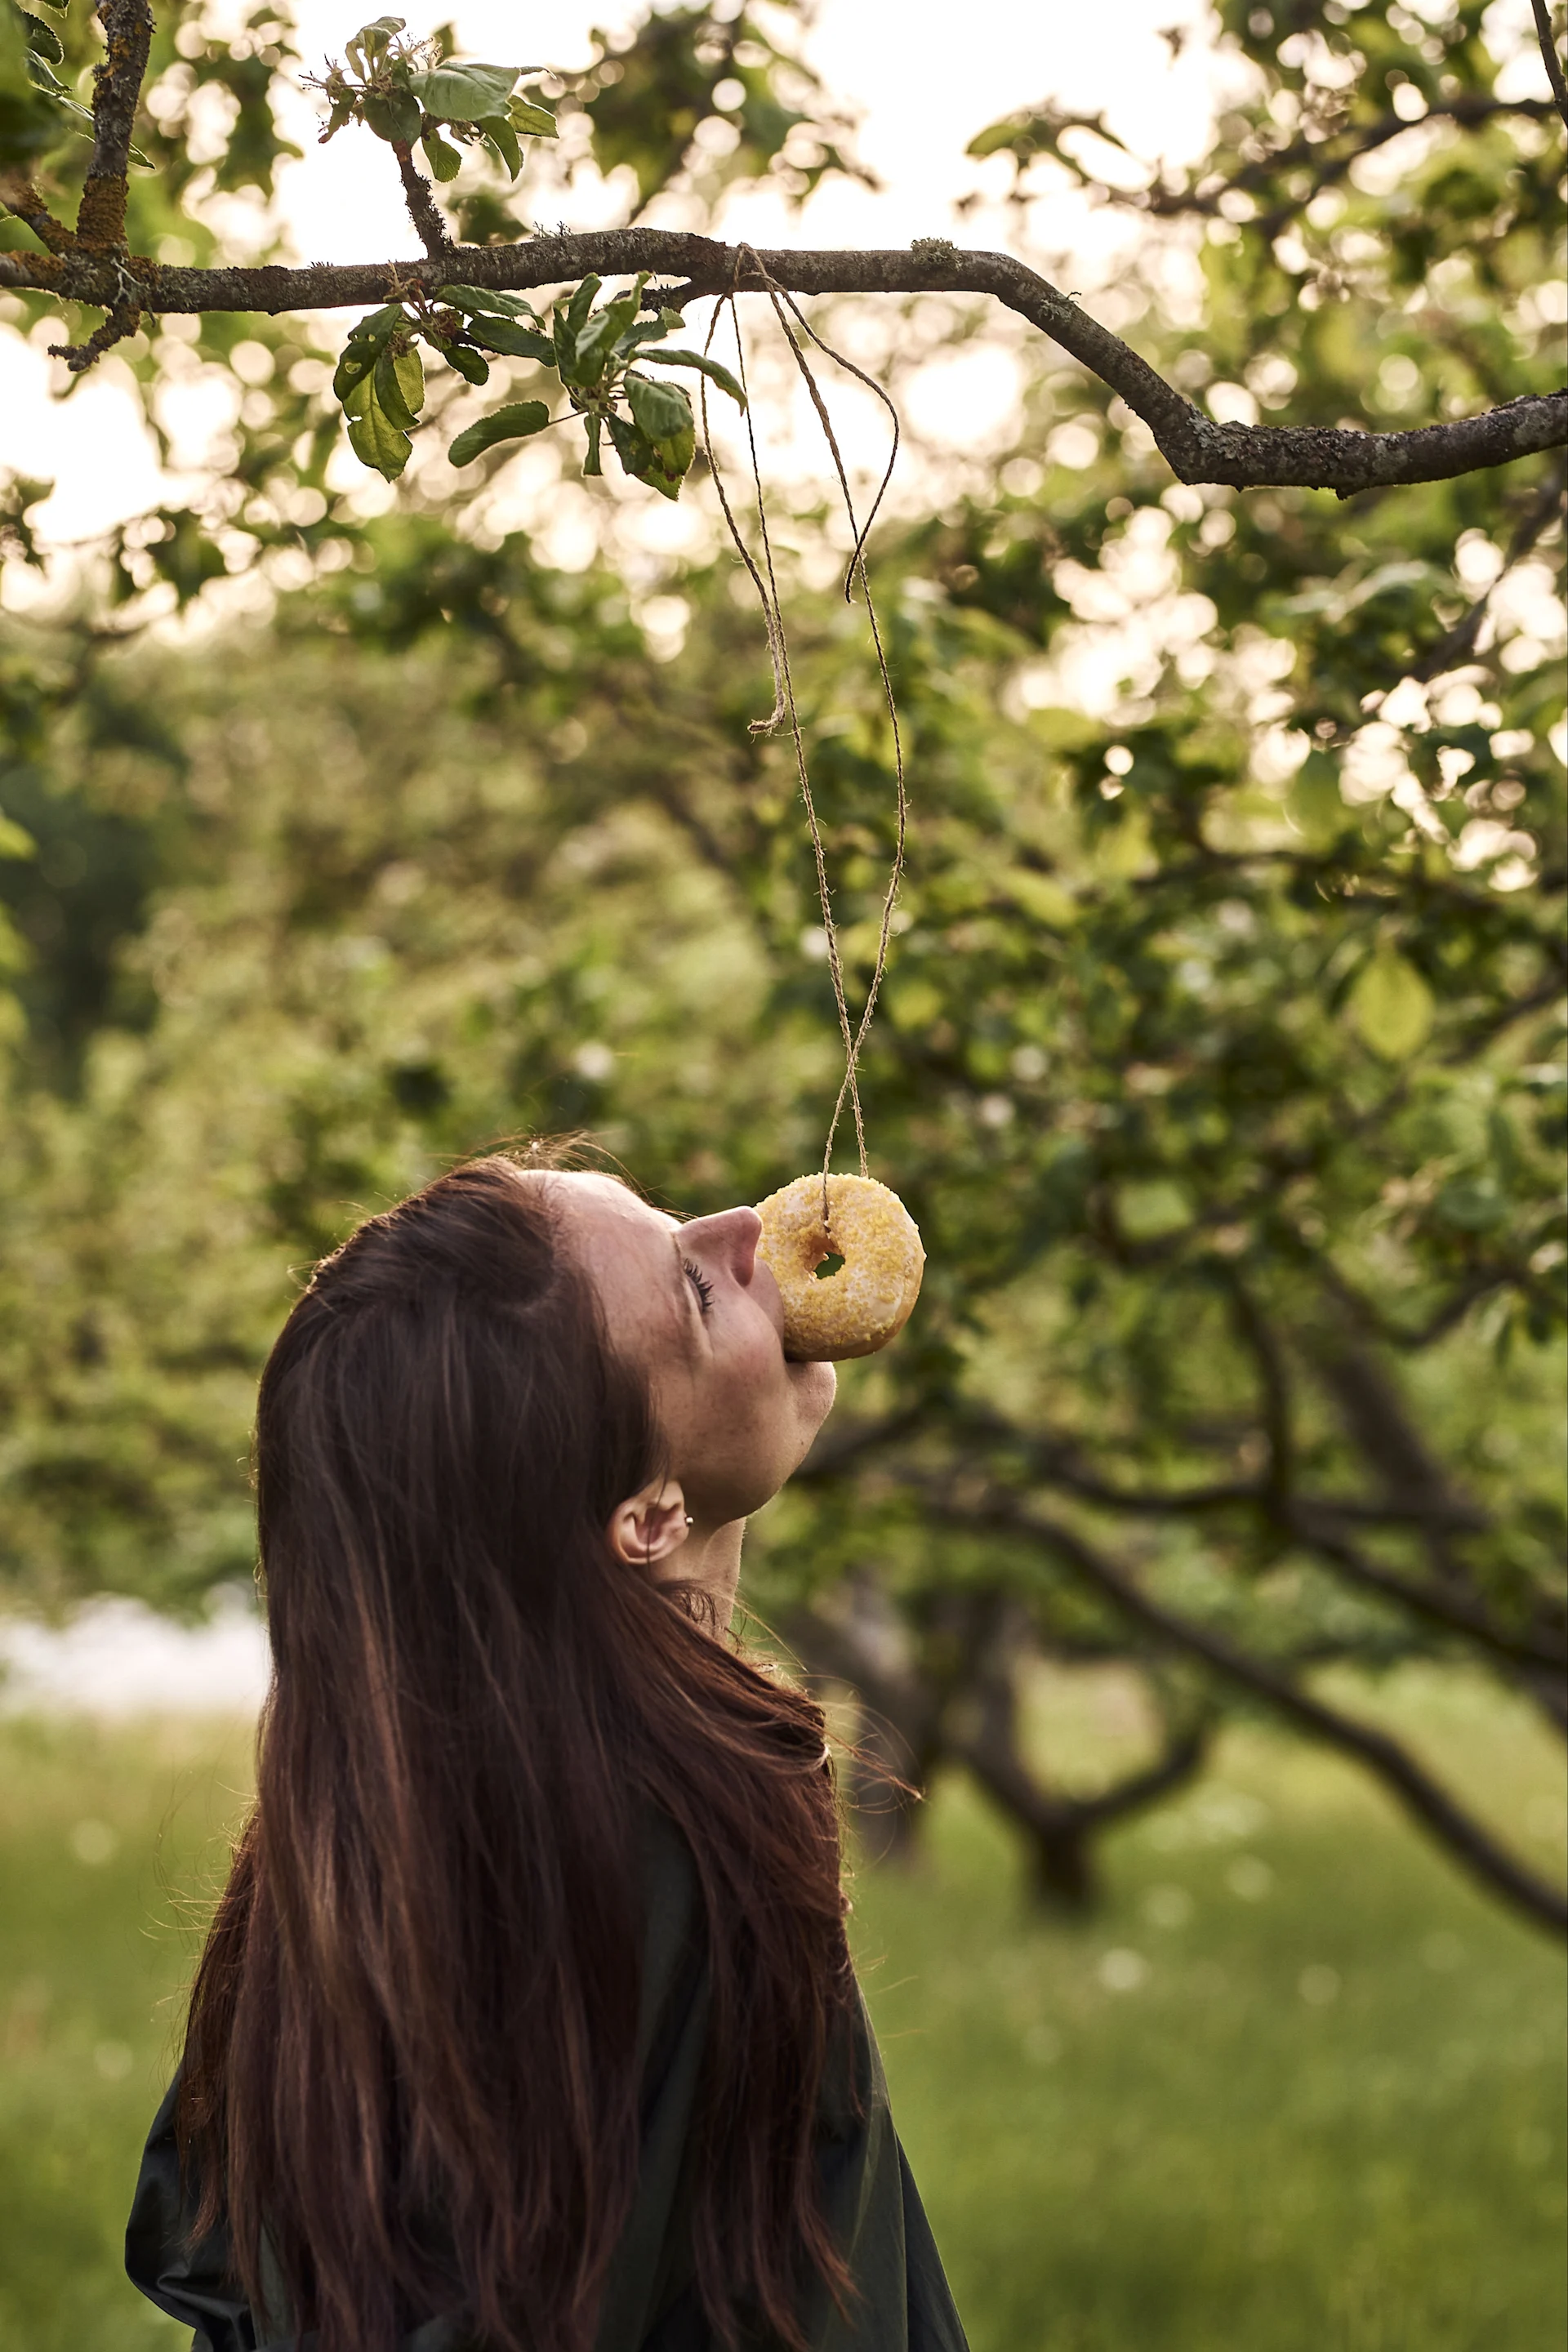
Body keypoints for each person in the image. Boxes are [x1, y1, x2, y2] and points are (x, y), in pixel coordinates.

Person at [125, 1150, 969, 2352]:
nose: (746, 1225)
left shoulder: (374, 1831)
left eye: (672, 1218)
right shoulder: (638, 1850)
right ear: (645, 1516)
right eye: (693, 1291)